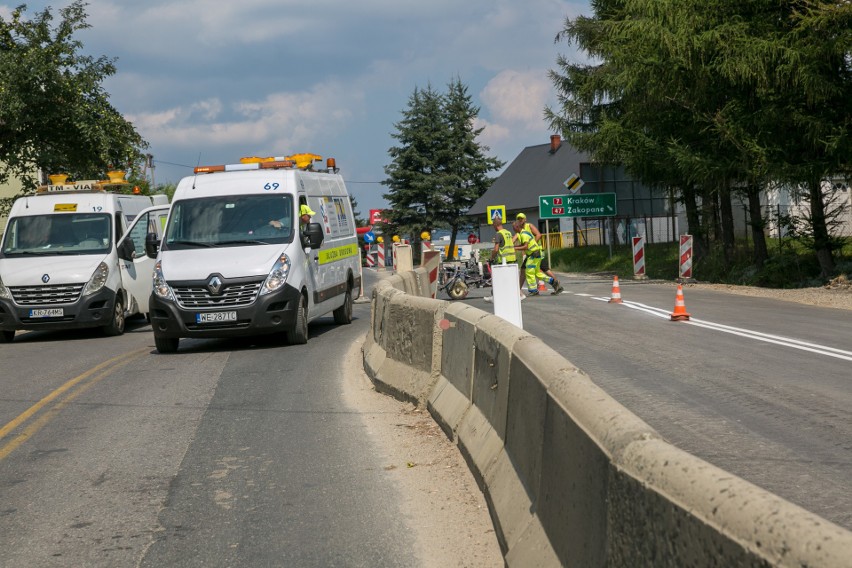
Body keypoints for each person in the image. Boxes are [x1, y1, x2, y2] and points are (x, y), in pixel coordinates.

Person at [514, 212, 563, 294]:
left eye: (521, 218)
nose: (520, 220)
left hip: (536, 251)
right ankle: (518, 290)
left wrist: (532, 244)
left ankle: (556, 283)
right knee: (525, 270)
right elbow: (514, 239)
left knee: (544, 269)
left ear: (525, 219)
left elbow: (538, 235)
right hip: (531, 252)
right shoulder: (519, 230)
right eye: (519, 219)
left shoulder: (529, 226)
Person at [484, 216, 525, 303]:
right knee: (511, 280)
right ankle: (520, 294)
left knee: (498, 279)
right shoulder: (508, 232)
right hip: (513, 259)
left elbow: (496, 249)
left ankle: (495, 297)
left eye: (493, 226)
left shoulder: (498, 234)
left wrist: (491, 258)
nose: (493, 228)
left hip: (504, 260)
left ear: (495, 225)